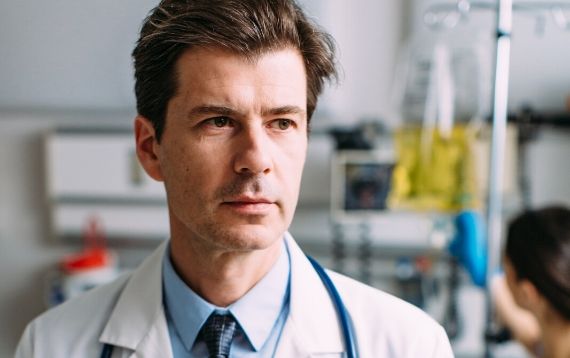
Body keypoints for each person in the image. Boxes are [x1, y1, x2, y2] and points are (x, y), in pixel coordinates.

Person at [15, 1, 453, 357]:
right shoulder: (54, 345)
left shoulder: (408, 345)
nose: (256, 160)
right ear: (151, 148)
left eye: (282, 123)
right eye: (219, 121)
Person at [491, 206, 570, 358]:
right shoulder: (552, 344)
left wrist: (491, 278)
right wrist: (491, 280)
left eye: (505, 270)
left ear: (527, 293)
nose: (503, 279)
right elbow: (530, 337)